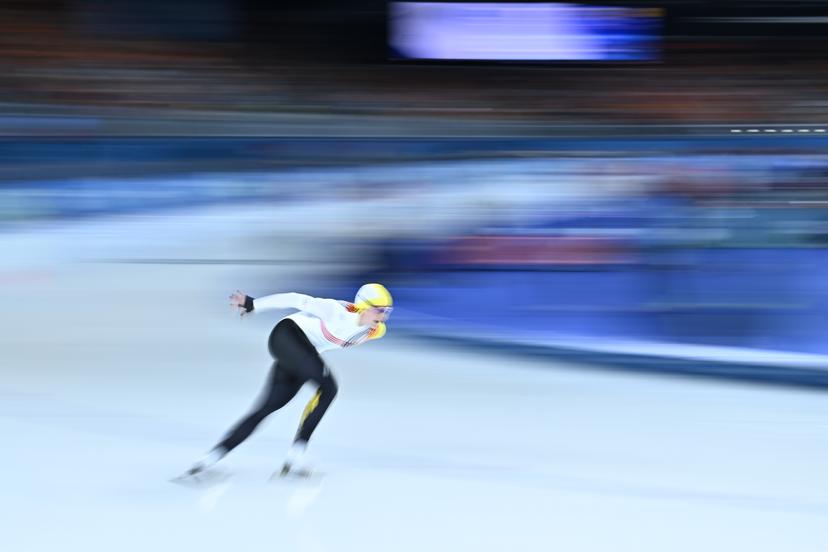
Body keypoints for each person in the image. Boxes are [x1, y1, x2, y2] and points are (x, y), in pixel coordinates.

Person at [183, 283, 393, 478]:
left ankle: (210, 459)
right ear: (363, 306)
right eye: (379, 310)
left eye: (387, 311)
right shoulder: (335, 311)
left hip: (302, 354)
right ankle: (297, 455)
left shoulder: (375, 331)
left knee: (267, 407)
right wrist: (253, 304)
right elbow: (295, 299)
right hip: (287, 336)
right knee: (329, 388)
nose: (383, 316)